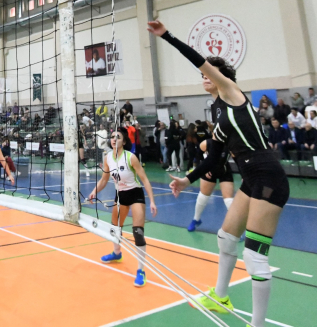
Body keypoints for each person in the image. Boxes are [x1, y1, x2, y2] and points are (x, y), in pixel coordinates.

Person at [150, 20, 289, 327]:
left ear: (220, 77)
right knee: (226, 238)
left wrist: (167, 36)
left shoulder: (231, 92)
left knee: (254, 256)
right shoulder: (216, 111)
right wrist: (186, 179)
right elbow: (214, 157)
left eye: (208, 73)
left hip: (268, 176)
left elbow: (199, 60)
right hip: (250, 178)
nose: (204, 77)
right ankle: (221, 298)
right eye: (202, 75)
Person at [87, 127, 157, 287]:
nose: (114, 139)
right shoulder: (108, 158)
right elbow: (104, 180)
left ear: (124, 142)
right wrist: (94, 191)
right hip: (120, 195)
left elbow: (145, 179)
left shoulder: (131, 157)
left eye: (118, 137)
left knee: (138, 233)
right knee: (115, 228)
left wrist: (152, 201)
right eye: (112, 137)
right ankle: (117, 253)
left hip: (135, 194)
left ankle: (141, 270)